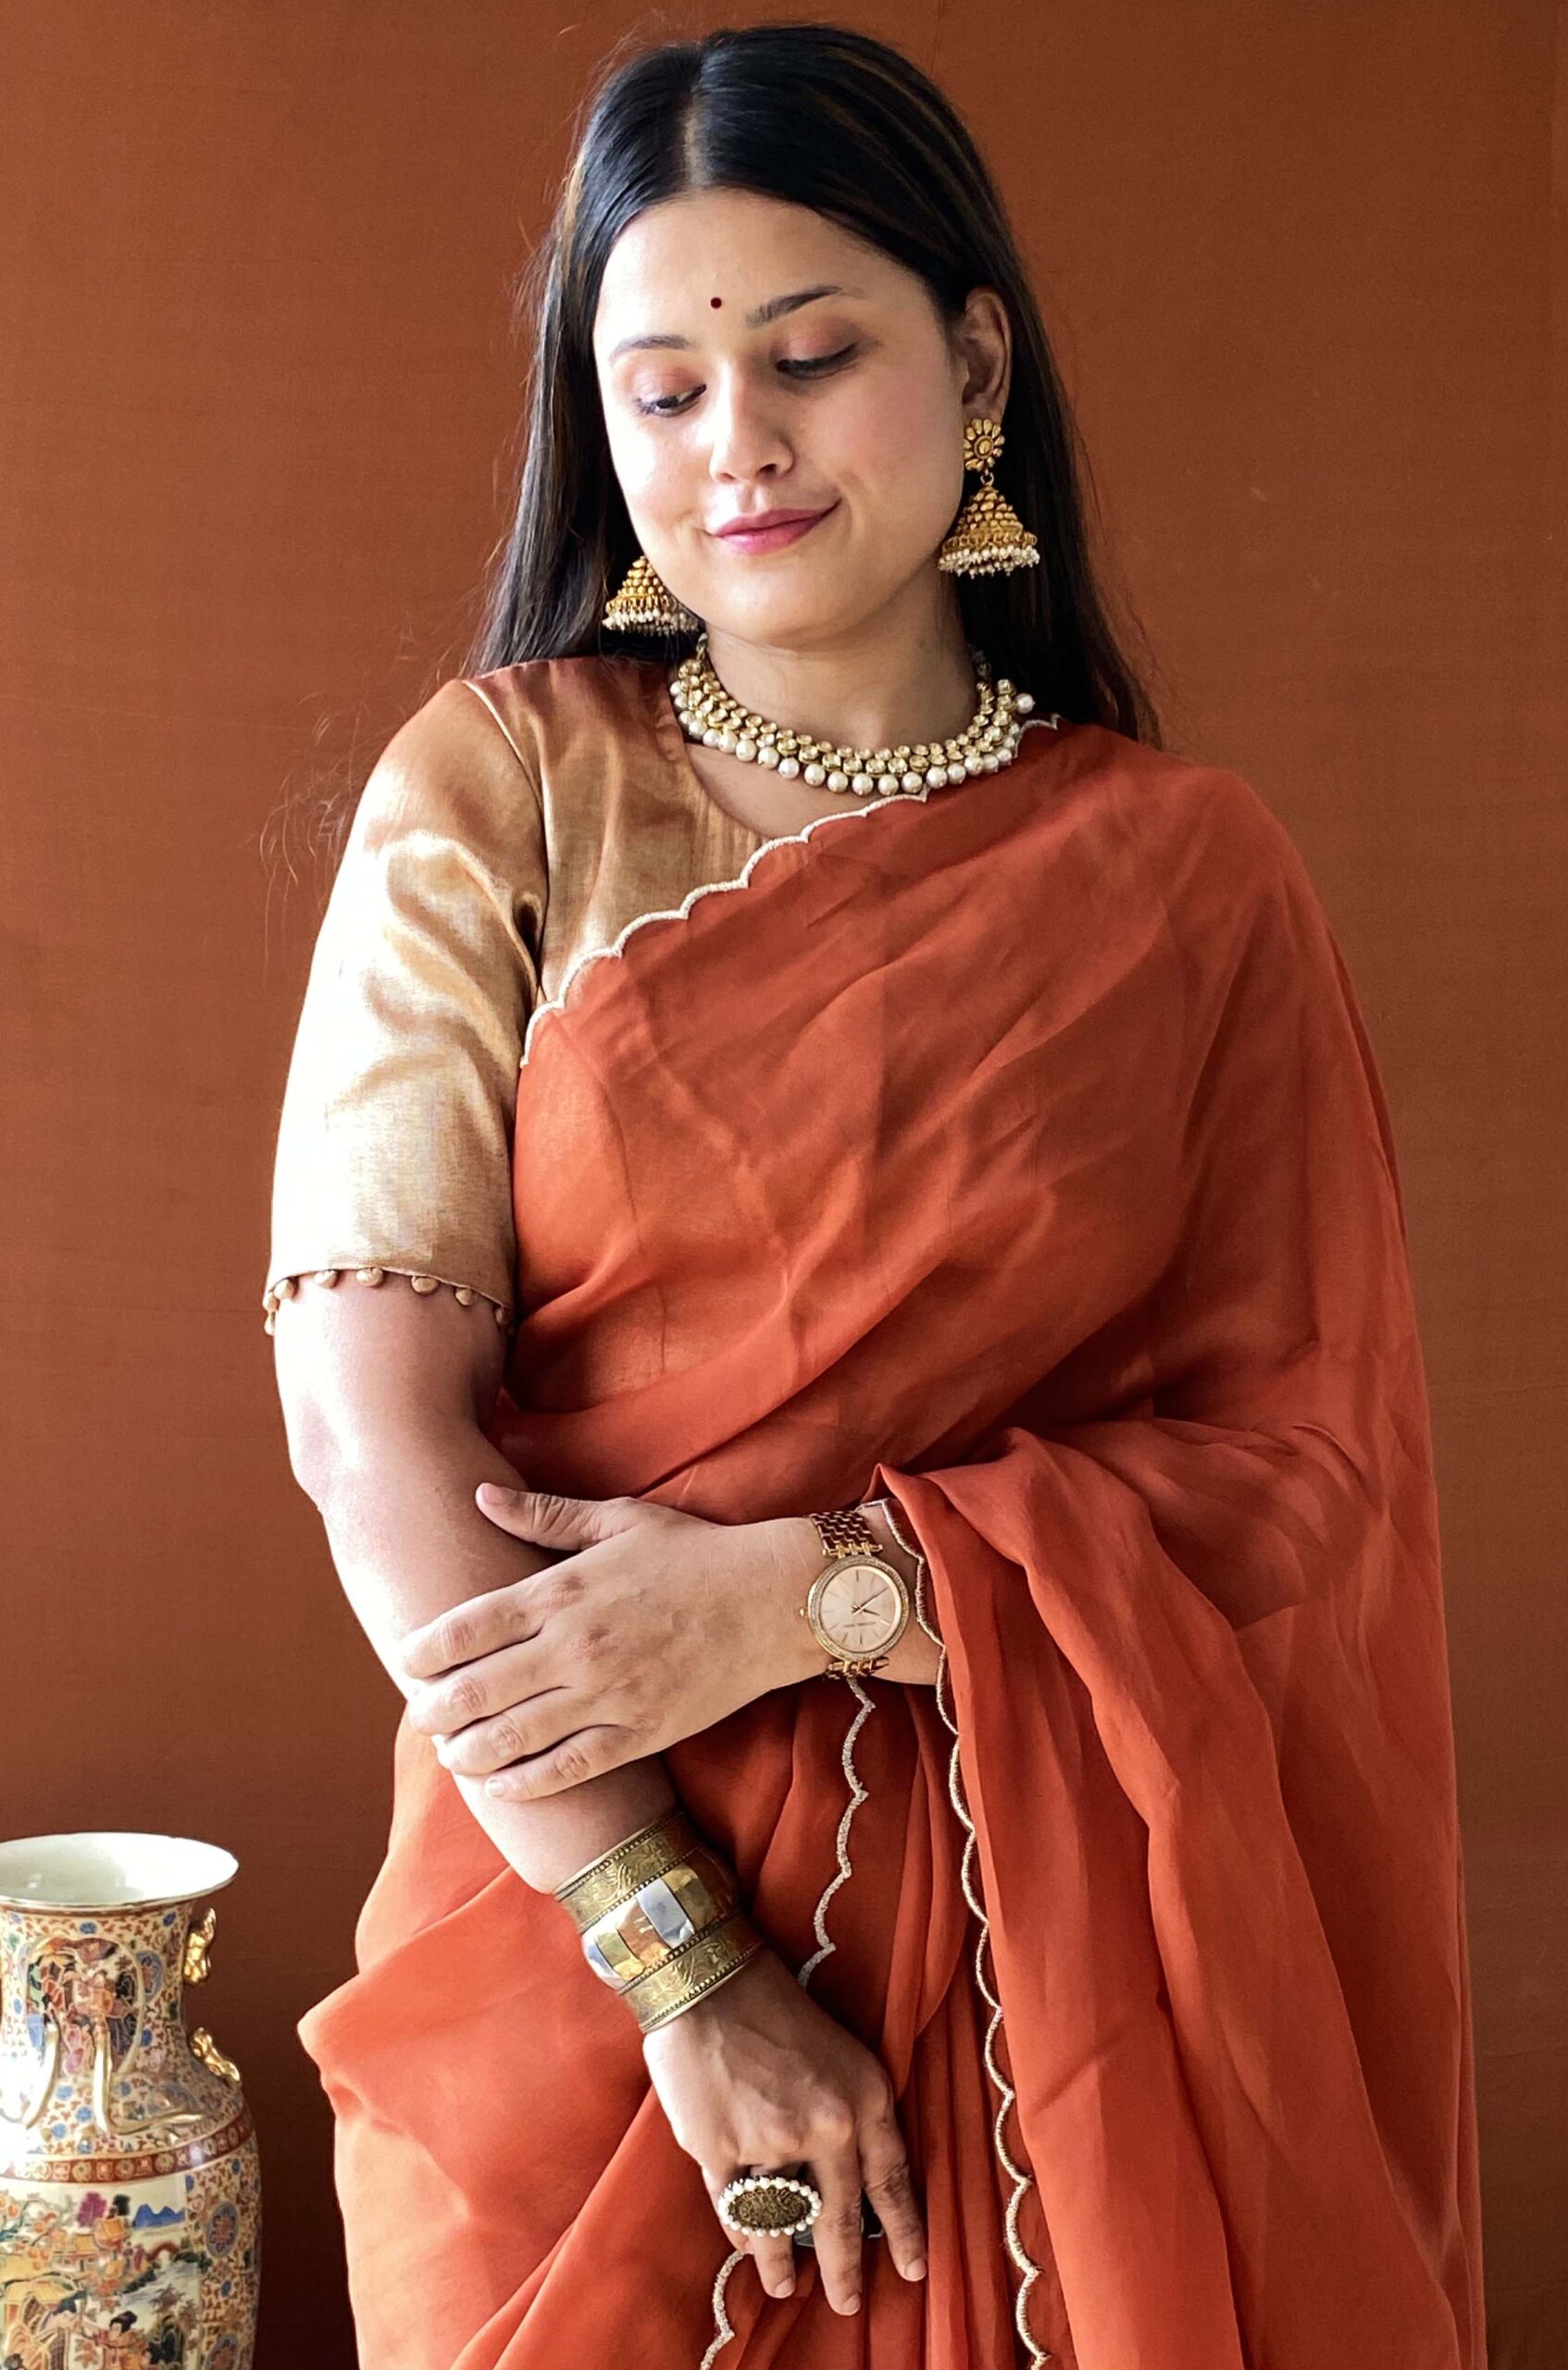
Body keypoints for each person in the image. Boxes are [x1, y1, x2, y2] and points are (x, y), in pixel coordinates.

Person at [263, 22, 1486, 2370]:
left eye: (810, 358)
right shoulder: (499, 792)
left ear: (976, 362)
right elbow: (371, 1432)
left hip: (1078, 1961)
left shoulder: (1183, 880)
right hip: (572, 1942)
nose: (736, 442)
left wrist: (815, 1589)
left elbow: (1307, 1481)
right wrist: (683, 1963)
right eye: (661, 389)